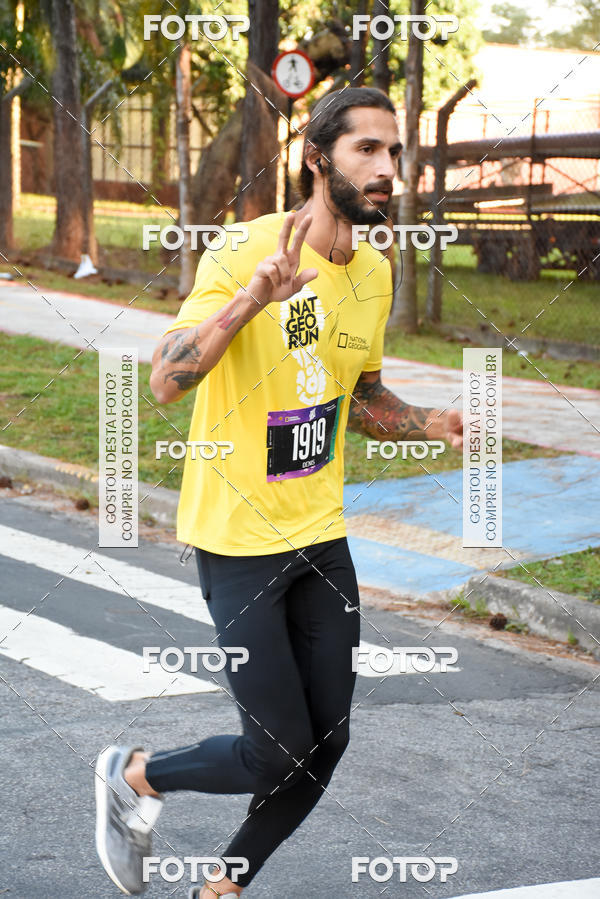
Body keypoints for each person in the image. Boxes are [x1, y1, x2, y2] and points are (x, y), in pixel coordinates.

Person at [94, 86, 462, 898]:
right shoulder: (245, 248)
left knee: (326, 741)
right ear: (315, 155)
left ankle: (225, 881)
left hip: (321, 536)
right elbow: (165, 379)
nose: (386, 168)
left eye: (395, 152)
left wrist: (432, 419)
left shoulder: (374, 270)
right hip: (238, 538)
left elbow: (362, 395)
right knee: (274, 747)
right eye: (367, 148)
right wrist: (253, 298)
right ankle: (135, 775)